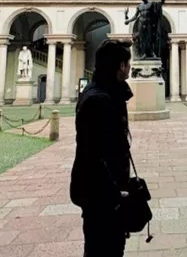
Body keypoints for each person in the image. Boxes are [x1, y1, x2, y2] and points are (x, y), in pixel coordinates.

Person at [70, 39, 134, 257]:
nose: (130, 68)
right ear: (120, 66)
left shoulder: (104, 93)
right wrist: (116, 193)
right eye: (127, 63)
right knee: (103, 248)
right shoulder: (99, 100)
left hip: (102, 192)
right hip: (102, 195)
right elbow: (93, 156)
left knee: (109, 246)